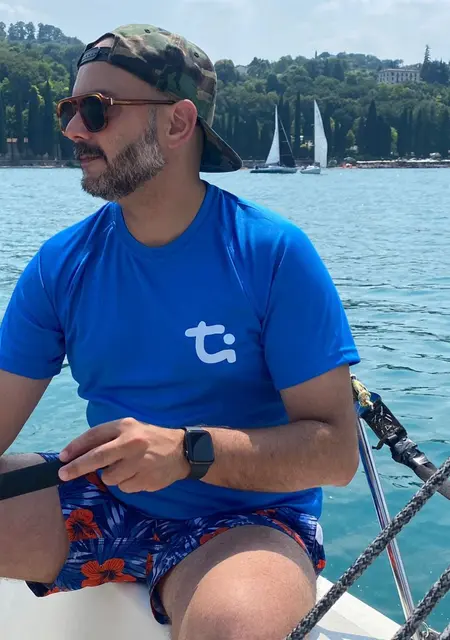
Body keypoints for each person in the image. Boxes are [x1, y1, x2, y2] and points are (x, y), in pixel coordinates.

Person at [0, 23, 360, 640]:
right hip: (105, 499)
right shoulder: (63, 265)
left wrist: (187, 452)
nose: (74, 130)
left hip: (248, 521)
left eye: (96, 109)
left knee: (234, 630)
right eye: (69, 109)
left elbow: (336, 452)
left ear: (177, 122)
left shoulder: (271, 254)